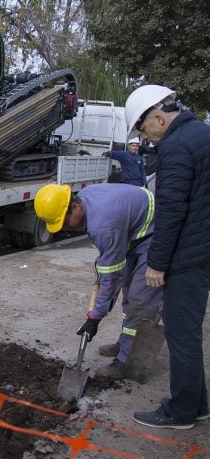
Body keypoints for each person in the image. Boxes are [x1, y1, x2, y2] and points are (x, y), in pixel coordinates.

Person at [124, 85, 210, 430]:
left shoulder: (175, 146)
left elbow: (171, 209)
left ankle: (182, 412)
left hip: (191, 251)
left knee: (181, 332)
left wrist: (157, 263)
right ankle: (198, 404)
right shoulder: (202, 134)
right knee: (187, 329)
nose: (147, 138)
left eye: (145, 130)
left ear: (159, 117)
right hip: (204, 245)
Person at [34, 183, 163, 380]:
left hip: (156, 236)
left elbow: (111, 278)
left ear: (75, 207)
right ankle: (126, 342)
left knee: (139, 300)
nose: (66, 228)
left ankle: (126, 361)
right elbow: (112, 271)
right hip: (135, 234)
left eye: (65, 222)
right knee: (129, 294)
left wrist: (95, 317)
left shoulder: (102, 225)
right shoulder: (85, 197)